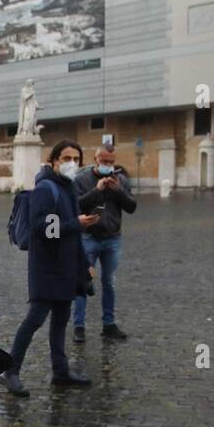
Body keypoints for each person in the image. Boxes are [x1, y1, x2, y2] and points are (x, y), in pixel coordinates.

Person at [0, 140, 95, 395]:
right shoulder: (46, 188)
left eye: (76, 158)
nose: (71, 163)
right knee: (35, 319)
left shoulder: (69, 188)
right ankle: (11, 371)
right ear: (54, 161)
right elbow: (45, 228)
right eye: (66, 158)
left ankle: (60, 371)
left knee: (61, 320)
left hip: (66, 268)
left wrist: (85, 265)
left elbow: (73, 236)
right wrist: (76, 223)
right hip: (46, 268)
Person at [72, 143, 136, 342]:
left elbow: (132, 207)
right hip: (88, 238)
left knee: (109, 282)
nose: (108, 165)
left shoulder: (121, 179)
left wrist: (118, 191)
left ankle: (108, 324)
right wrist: (96, 191)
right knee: (83, 280)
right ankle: (78, 326)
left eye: (111, 162)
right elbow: (75, 205)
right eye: (104, 161)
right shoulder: (82, 179)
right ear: (95, 160)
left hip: (112, 239)